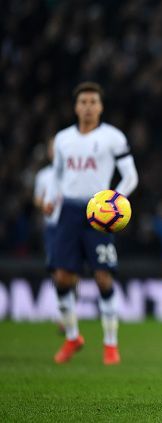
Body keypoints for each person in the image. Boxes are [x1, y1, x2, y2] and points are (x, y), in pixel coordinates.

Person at [43, 82, 139, 365]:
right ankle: (72, 337)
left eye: (92, 102)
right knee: (61, 277)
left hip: (100, 217)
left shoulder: (113, 137)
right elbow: (56, 174)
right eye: (83, 102)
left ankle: (111, 345)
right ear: (75, 107)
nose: (87, 107)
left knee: (103, 277)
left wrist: (114, 202)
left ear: (101, 107)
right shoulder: (62, 139)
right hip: (70, 211)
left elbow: (131, 176)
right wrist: (50, 197)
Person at [33, 136, 64, 332]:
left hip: (70, 226)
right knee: (57, 271)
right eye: (51, 147)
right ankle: (64, 312)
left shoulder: (72, 173)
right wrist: (46, 205)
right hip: (52, 227)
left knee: (69, 270)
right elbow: (37, 199)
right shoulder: (43, 175)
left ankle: (65, 311)